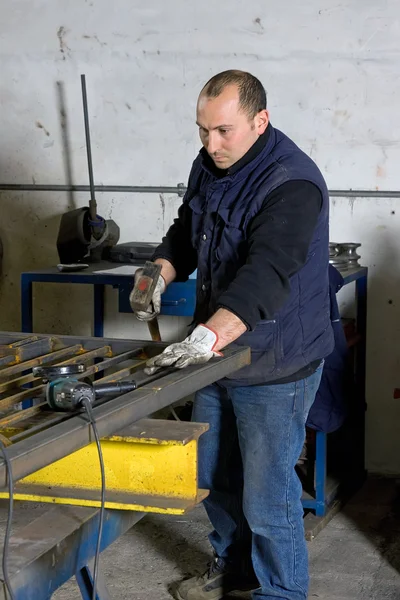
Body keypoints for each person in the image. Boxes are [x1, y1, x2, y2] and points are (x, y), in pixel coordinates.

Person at [132, 70, 334, 600]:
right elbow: (187, 230)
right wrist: (159, 271)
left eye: (223, 131)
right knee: (214, 474)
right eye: (202, 130)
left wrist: (205, 338)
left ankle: (282, 592)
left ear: (259, 120)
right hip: (218, 352)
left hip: (276, 360)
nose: (210, 144)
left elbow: (267, 272)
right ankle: (235, 567)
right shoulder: (213, 163)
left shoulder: (293, 183)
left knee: (268, 495)